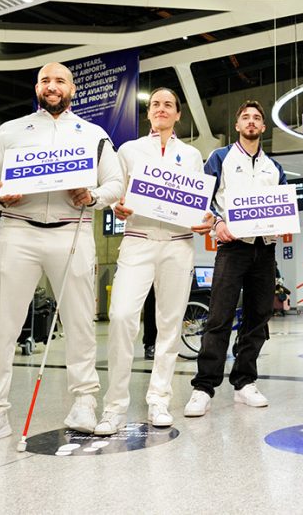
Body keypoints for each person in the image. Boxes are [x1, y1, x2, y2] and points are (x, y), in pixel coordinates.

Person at [0, 62, 124, 447]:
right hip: (17, 229)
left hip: (72, 230)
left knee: (80, 322)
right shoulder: (10, 130)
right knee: (2, 325)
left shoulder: (93, 133)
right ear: (37, 88)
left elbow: (116, 183)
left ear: (72, 89)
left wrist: (93, 196)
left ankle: (84, 402)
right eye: (45, 80)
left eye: (60, 81)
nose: (52, 86)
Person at [95, 88, 212, 434]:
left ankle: (159, 398)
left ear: (178, 114)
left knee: (170, 325)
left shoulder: (191, 155)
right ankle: (115, 405)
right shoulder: (129, 150)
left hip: (178, 244)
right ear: (148, 113)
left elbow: (197, 202)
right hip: (138, 240)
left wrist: (204, 218)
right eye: (155, 104)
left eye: (168, 105)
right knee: (120, 316)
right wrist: (115, 206)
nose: (161, 109)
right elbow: (116, 191)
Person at [184, 100, 286, 417]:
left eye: (257, 118)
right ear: (238, 125)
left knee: (258, 318)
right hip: (232, 247)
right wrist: (217, 223)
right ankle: (203, 387)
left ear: (263, 127)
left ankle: (244, 382)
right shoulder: (220, 157)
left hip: (264, 250)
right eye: (246, 117)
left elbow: (283, 205)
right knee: (219, 317)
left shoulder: (274, 167)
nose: (251, 121)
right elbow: (203, 198)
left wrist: (284, 222)